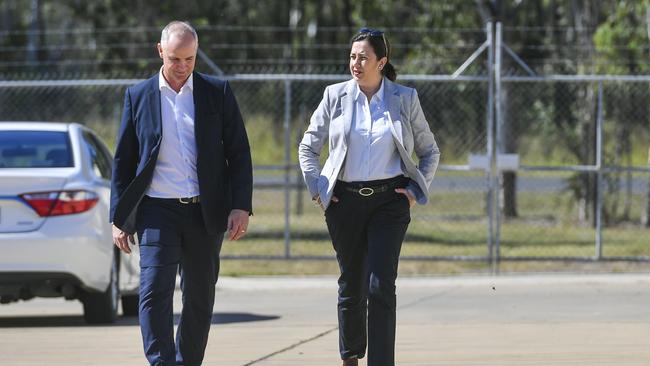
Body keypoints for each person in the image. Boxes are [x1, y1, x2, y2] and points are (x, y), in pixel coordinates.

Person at [110, 21, 252, 366]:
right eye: (176, 58)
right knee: (154, 291)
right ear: (160, 51)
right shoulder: (139, 96)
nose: (183, 67)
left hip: (206, 213)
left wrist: (240, 207)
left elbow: (239, 152)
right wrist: (119, 219)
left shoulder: (216, 92)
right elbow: (123, 161)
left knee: (199, 297)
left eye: (190, 59)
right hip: (156, 211)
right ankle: (161, 361)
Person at [298, 28, 440, 366]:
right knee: (351, 282)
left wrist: (414, 192)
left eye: (363, 57)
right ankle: (350, 356)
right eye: (352, 56)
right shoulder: (335, 96)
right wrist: (319, 188)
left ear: (382, 61)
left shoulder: (404, 98)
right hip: (343, 201)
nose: (355, 63)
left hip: (389, 202)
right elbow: (308, 146)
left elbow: (430, 151)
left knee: (380, 286)